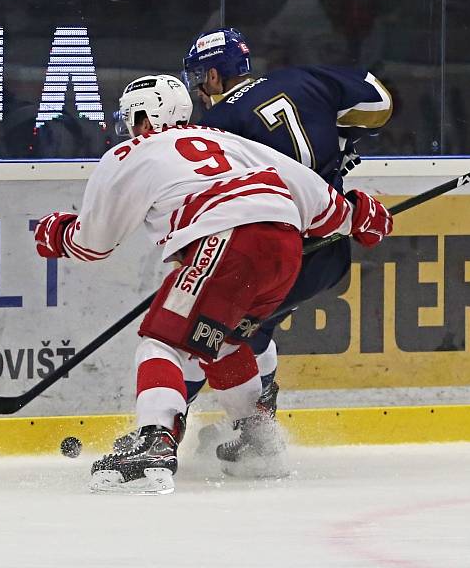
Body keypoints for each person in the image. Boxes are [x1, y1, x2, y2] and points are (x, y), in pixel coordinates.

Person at [33, 74, 393, 493]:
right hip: (284, 248)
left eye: (131, 118)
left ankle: (154, 441)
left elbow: (93, 244)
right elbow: (312, 194)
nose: (129, 128)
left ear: (146, 116)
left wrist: (56, 233)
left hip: (226, 240)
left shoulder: (133, 152)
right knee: (221, 344)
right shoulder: (227, 140)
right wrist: (359, 217)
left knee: (162, 342)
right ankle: (260, 443)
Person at [180, 27, 393, 472]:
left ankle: (160, 432)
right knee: (253, 330)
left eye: (200, 78)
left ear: (216, 76)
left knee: (203, 335)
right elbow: (378, 102)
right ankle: (258, 426)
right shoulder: (304, 79)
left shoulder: (215, 128)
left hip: (273, 256)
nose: (198, 88)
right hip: (330, 250)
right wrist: (337, 142)